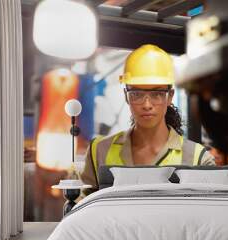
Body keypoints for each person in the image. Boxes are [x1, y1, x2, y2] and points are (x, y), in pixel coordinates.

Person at [80, 44, 215, 197]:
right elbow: (81, 209)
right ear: (126, 95)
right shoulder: (99, 151)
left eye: (156, 94)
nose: (147, 105)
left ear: (170, 96)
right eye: (137, 94)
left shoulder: (198, 158)